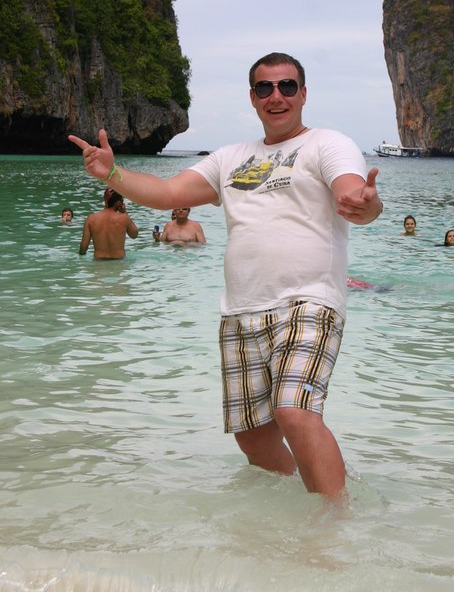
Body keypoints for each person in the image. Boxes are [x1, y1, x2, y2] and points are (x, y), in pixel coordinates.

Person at [69, 51, 383, 498]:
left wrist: (367, 206)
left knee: (294, 411)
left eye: (287, 86)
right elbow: (167, 193)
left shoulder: (328, 144)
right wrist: (113, 173)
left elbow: (353, 192)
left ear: (303, 94)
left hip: (308, 300)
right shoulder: (229, 158)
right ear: (253, 98)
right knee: (252, 435)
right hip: (240, 311)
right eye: (265, 88)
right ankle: (298, 503)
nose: (276, 96)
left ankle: (334, 523)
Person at [79, 189, 139, 259]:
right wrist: (125, 213)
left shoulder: (91, 219)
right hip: (119, 262)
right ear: (118, 203)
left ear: (105, 200)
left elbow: (83, 249)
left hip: (99, 262)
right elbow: (134, 235)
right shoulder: (124, 218)